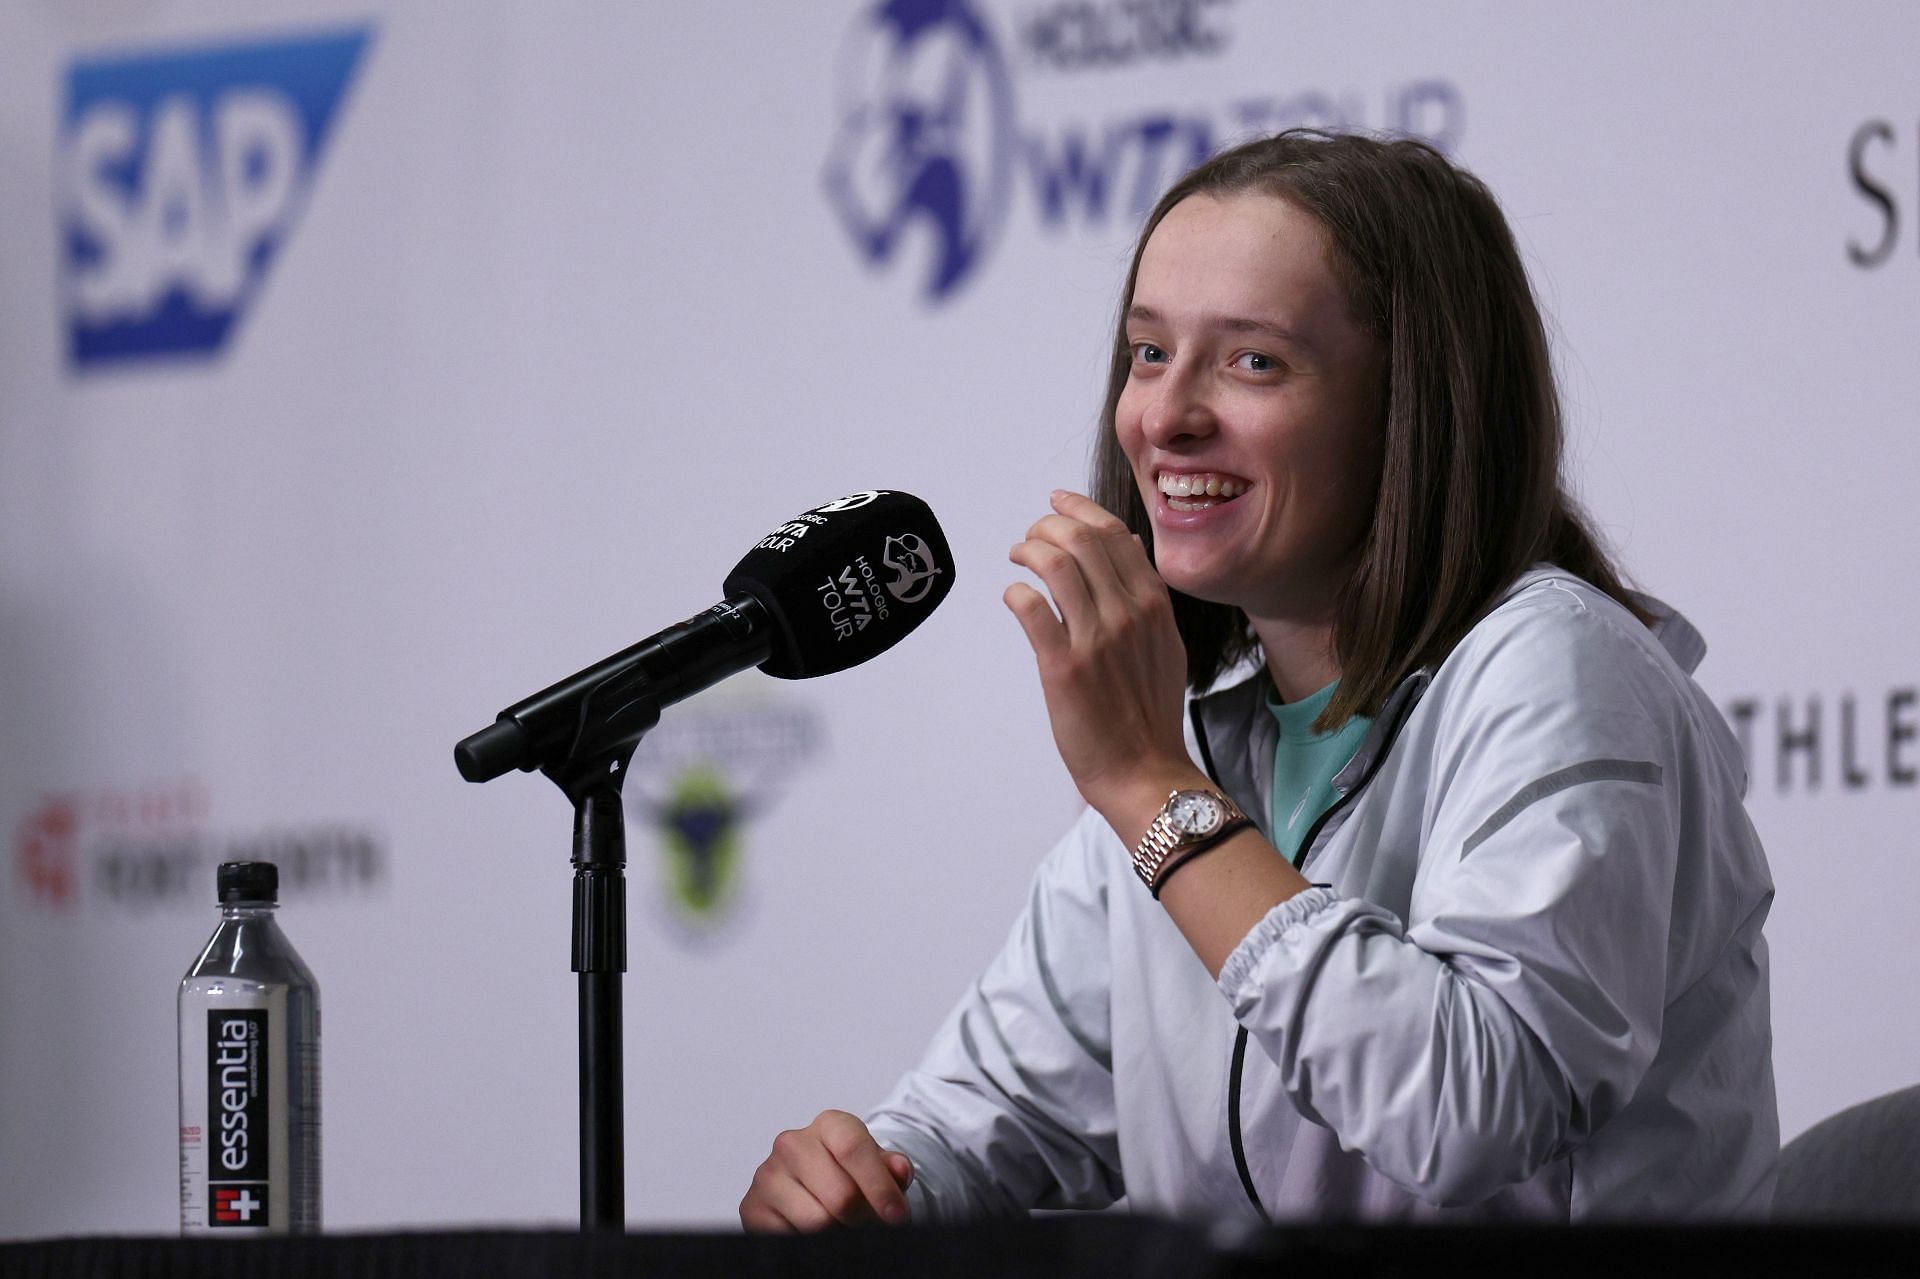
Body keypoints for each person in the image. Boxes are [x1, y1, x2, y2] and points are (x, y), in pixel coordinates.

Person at [739, 130, 1777, 1228]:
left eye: (1253, 362)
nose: (1165, 415)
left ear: (1411, 407)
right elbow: (984, 1112)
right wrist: (872, 1183)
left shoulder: (1559, 670)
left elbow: (1472, 1109)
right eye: (1148, 353)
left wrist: (1151, 789)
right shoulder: (1212, 733)